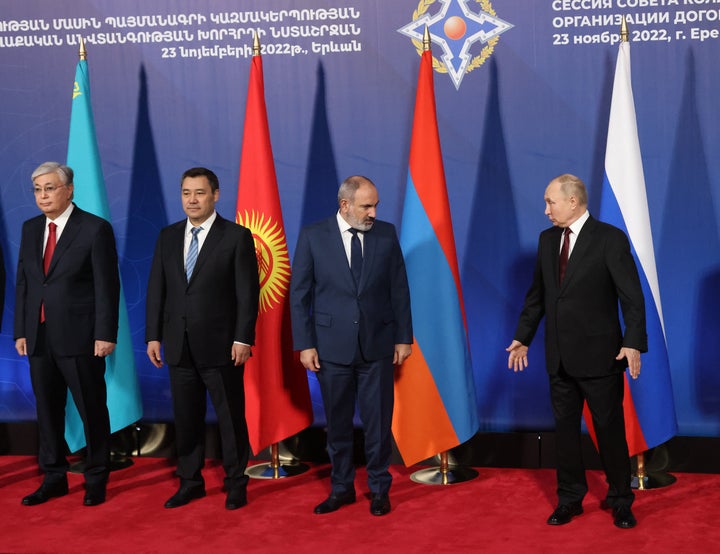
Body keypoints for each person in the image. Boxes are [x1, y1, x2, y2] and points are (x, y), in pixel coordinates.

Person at [507, 173, 646, 529]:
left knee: (609, 431)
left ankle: (620, 499)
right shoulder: (547, 240)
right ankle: (569, 499)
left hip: (601, 358)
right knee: (565, 433)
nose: (546, 210)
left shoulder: (609, 239)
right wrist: (524, 336)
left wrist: (632, 341)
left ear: (573, 201)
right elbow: (537, 296)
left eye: (550, 202)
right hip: (559, 357)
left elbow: (631, 297)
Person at [290, 175, 413, 516]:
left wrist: (404, 336)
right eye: (366, 206)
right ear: (345, 205)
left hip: (378, 347)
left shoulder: (386, 234)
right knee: (338, 425)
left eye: (375, 205)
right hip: (331, 349)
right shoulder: (314, 236)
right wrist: (305, 344)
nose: (373, 212)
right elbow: (299, 295)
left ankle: (378, 490)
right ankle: (341, 488)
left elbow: (399, 288)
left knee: (378, 426)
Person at [146, 167, 259, 510]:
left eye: (199, 193)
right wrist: (153, 336)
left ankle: (236, 482)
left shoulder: (236, 236)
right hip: (177, 344)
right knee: (186, 417)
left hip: (222, 346)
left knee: (230, 418)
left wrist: (243, 338)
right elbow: (156, 291)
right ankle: (190, 481)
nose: (192, 200)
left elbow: (247, 294)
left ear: (215, 195)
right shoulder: (167, 236)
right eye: (186, 193)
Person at [14, 162, 119, 507]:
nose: (43, 196)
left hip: (82, 337)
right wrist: (22, 330)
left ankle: (96, 477)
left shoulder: (94, 229)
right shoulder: (30, 229)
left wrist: (105, 333)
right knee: (47, 411)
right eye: (38, 190)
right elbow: (26, 284)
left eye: (50, 188)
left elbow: (107, 286)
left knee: (91, 409)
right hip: (39, 337)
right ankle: (54, 477)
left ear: (69, 189)